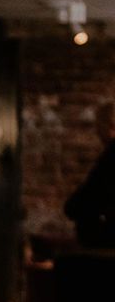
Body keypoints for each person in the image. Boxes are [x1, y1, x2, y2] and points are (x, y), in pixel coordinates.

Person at [64, 101, 115, 249]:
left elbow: (87, 197)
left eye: (98, 127)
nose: (97, 133)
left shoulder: (112, 154)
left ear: (109, 126)